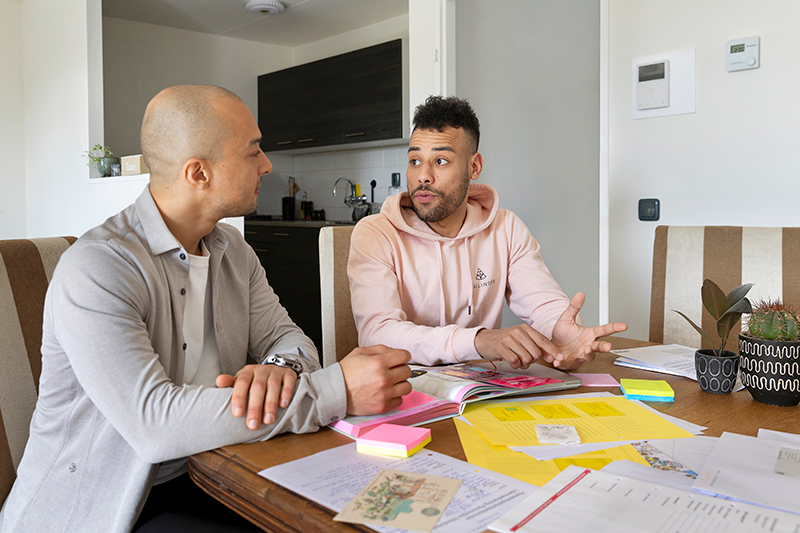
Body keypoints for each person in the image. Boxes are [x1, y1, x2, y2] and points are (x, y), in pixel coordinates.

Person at [0, 85, 412, 533]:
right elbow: (155, 424)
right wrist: (335, 390)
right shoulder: (99, 267)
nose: (267, 165)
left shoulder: (232, 250)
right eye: (253, 151)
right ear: (198, 173)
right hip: (108, 509)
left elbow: (287, 337)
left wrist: (278, 370)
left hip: (214, 469)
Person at [348, 95, 627, 370]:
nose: (423, 176)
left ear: (474, 166)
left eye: (441, 161)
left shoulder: (505, 228)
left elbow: (544, 304)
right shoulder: (375, 234)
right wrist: (478, 340)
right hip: (404, 387)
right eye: (415, 161)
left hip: (481, 389)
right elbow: (377, 333)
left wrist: (561, 334)